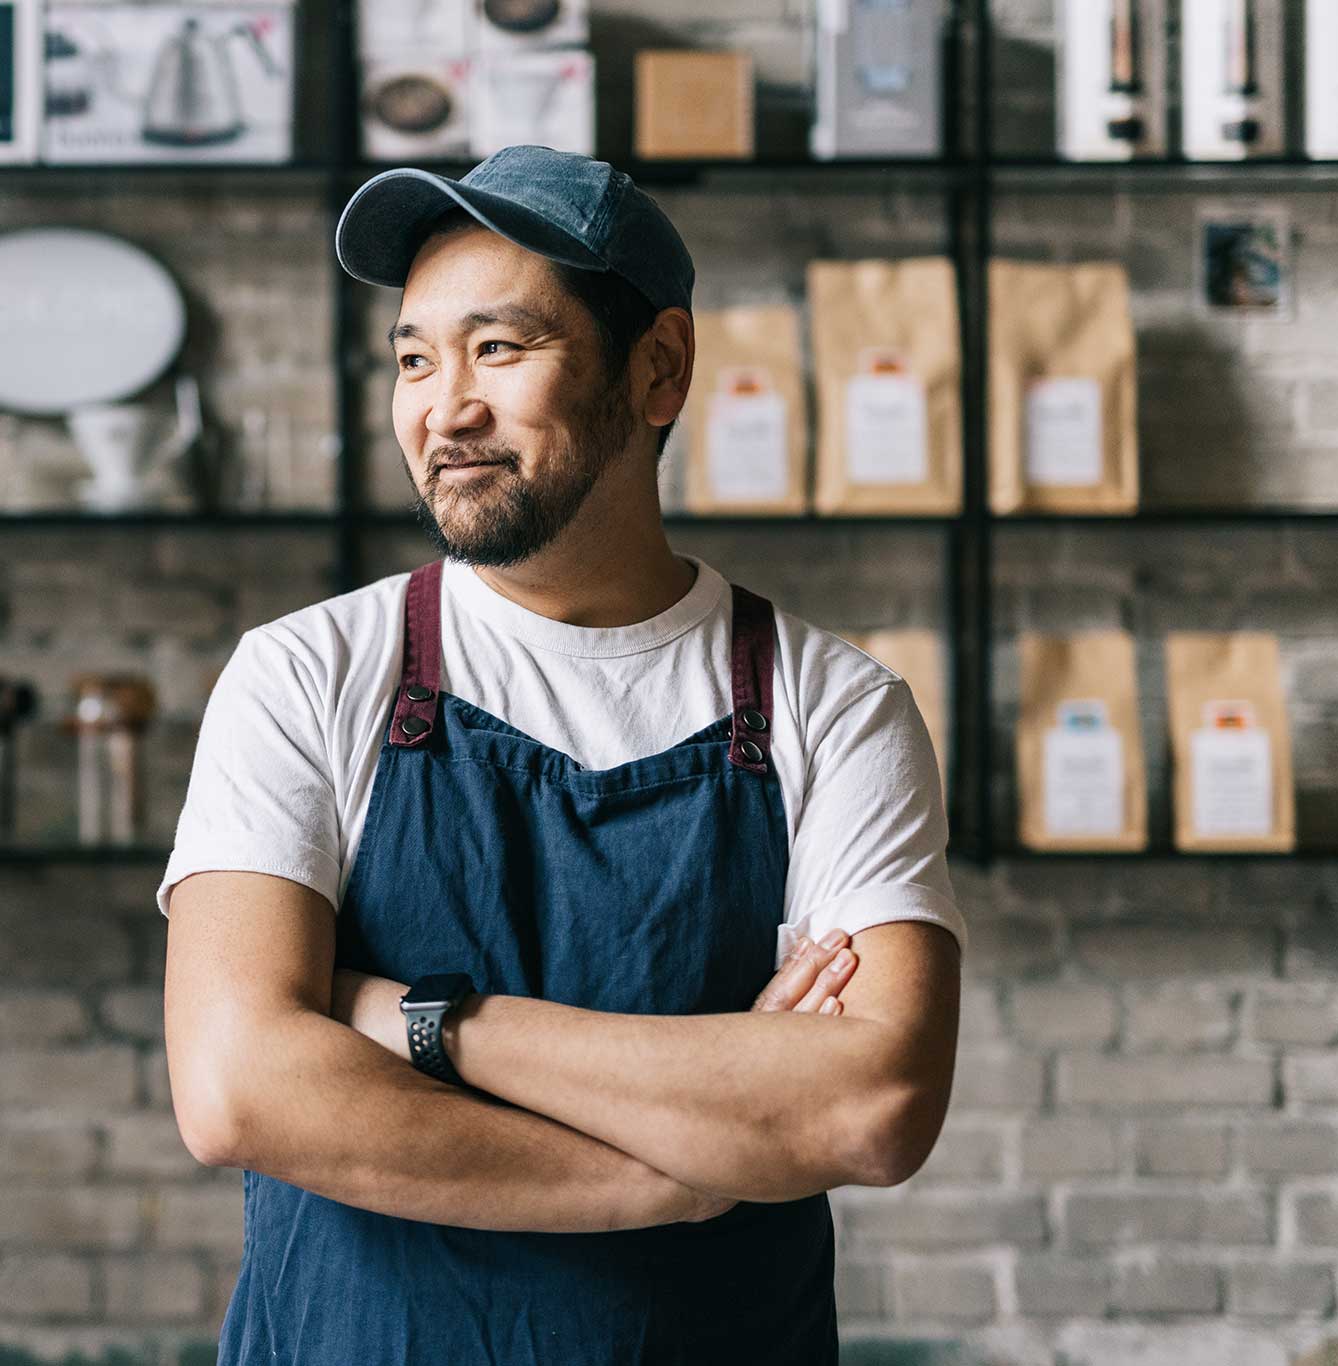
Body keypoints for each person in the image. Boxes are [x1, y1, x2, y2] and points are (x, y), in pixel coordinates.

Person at [156, 144, 966, 1365]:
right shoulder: (307, 674)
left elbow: (869, 1106)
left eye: (499, 348)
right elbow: (236, 1086)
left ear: (657, 369)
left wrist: (420, 1022)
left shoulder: (833, 706)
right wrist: (674, 1175)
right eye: (415, 358)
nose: (446, 407)